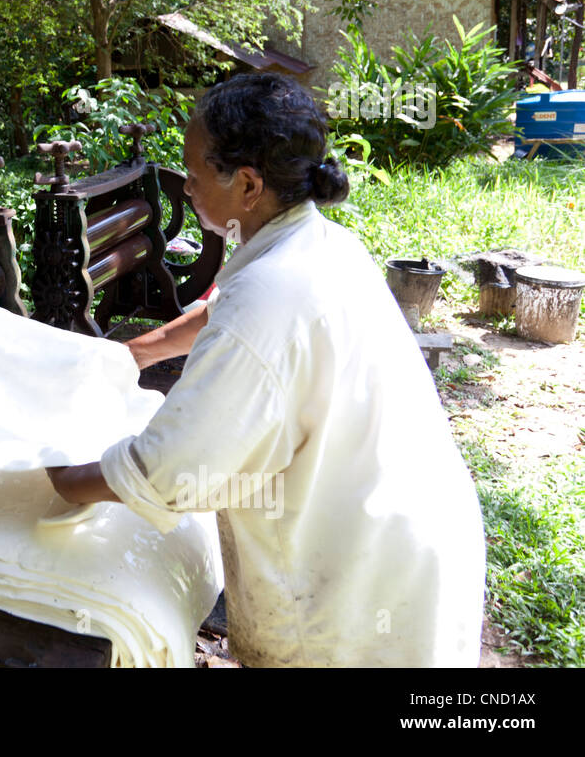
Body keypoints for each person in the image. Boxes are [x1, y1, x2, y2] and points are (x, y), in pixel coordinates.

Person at [47, 73, 486, 666]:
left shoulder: (269, 300)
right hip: (420, 533)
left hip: (356, 589)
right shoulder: (322, 246)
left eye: (195, 173)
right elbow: (221, 312)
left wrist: (55, 478)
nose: (189, 186)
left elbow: (173, 470)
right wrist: (129, 354)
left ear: (249, 184)